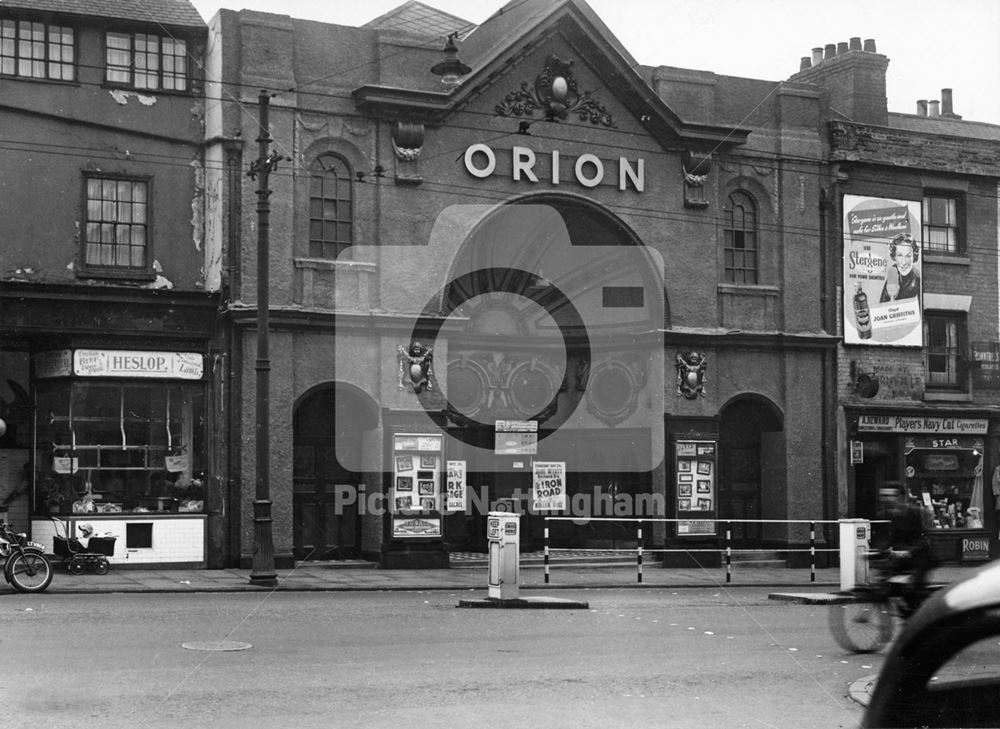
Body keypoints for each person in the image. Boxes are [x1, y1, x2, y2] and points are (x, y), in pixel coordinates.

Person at [871, 486, 934, 611]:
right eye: (883, 496)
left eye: (889, 496)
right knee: (887, 583)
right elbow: (890, 539)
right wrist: (877, 553)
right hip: (901, 557)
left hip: (921, 557)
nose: (885, 499)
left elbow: (925, 538)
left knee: (914, 590)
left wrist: (909, 552)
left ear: (900, 497)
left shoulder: (916, 512)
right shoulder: (887, 515)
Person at [879, 233, 921, 304]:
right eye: (899, 255)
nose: (903, 262)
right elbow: (882, 304)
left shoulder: (918, 278)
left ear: (914, 256)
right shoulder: (893, 272)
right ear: (894, 256)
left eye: (908, 256)